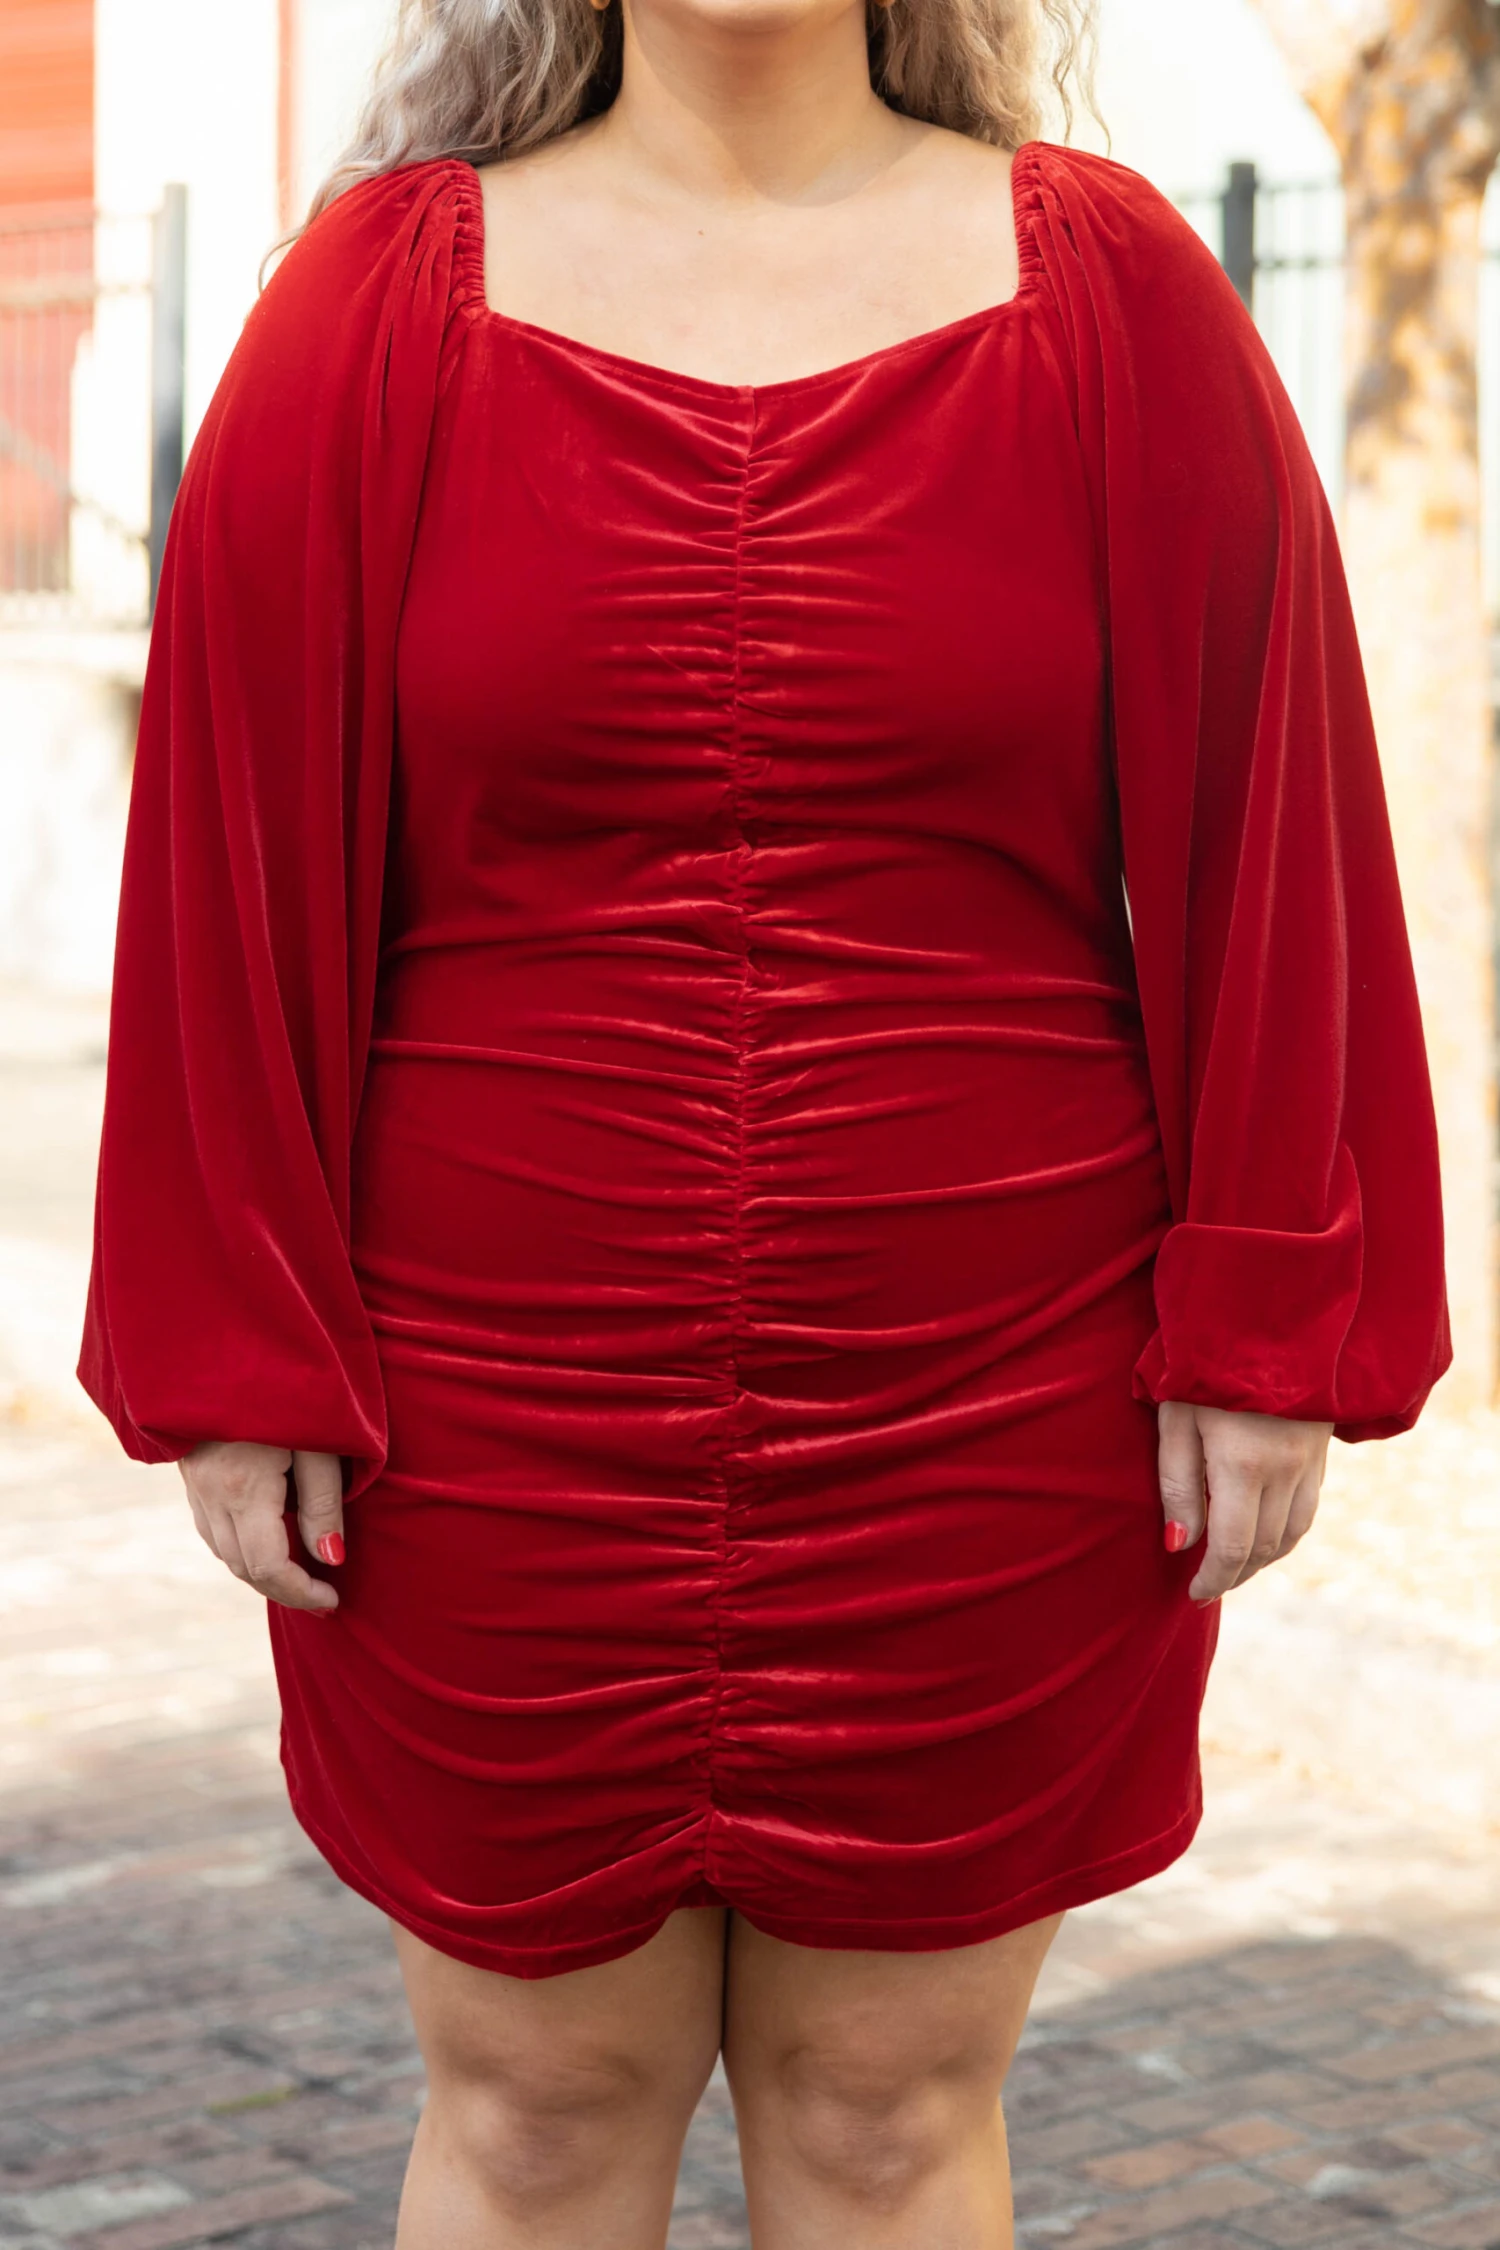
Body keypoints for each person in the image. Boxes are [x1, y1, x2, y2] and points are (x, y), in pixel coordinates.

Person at [78, 0, 1451, 2239]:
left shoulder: (1115, 298)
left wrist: (1266, 1310)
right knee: (533, 2105)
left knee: (888, 2108)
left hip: (998, 1379)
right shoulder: (373, 307)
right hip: (483, 1390)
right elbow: (222, 861)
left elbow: (1273, 819)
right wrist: (239, 1345)